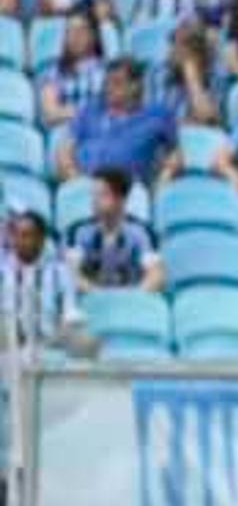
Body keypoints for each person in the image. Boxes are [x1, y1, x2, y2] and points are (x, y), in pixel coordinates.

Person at [54, 58, 176, 184]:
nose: (108, 88)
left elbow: (179, 150)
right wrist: (76, 180)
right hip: (82, 184)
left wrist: (166, 175)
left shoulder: (157, 115)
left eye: (116, 83)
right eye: (106, 83)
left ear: (135, 86)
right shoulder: (90, 110)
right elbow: (64, 149)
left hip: (125, 191)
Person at [64, 168, 162, 292]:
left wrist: (132, 296)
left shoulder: (143, 232)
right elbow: (71, 273)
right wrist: (97, 294)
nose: (94, 200)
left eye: (102, 195)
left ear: (121, 199)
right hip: (90, 301)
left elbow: (156, 275)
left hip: (132, 302)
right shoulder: (76, 231)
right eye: (93, 194)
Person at [1, 209, 82, 350]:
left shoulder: (59, 272)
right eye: (15, 235)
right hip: (7, 339)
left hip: (49, 339)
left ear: (41, 239)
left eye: (25, 235)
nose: (18, 241)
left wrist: (64, 327)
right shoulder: (2, 272)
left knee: (86, 342)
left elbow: (69, 311)